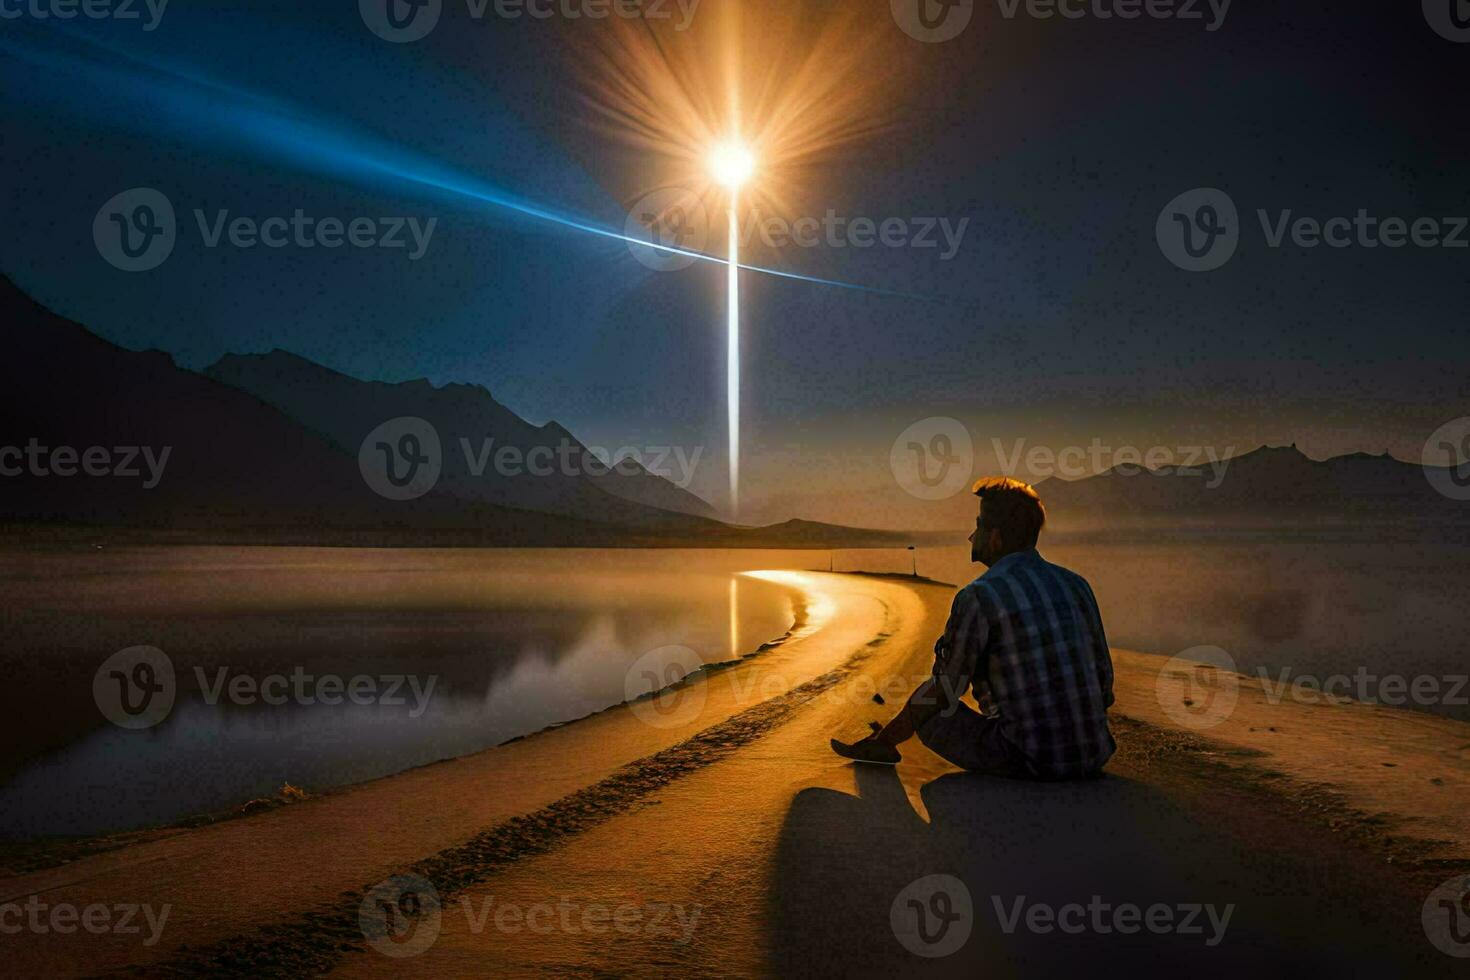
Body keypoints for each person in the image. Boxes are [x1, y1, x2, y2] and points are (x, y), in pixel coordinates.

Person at [831, 477, 1115, 779]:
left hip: (1030, 760)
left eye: (978, 526)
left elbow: (947, 688)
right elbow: (1104, 681)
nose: (971, 536)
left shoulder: (980, 596)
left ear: (995, 538)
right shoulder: (1076, 585)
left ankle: (881, 747)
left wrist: (888, 736)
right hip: (1093, 755)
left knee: (933, 710)